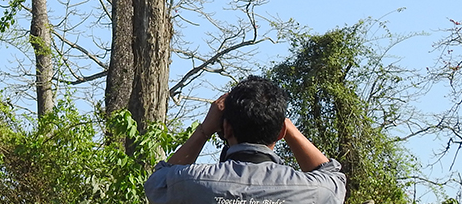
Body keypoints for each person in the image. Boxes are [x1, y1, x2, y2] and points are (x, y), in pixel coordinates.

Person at [144, 75, 346, 204]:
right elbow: (332, 177)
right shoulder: (314, 189)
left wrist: (204, 130)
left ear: (226, 128)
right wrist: (289, 129)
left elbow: (157, 183)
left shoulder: (191, 181)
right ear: (280, 133)